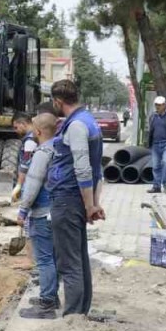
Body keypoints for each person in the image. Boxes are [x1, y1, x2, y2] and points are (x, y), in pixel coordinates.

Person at [45, 79, 104, 317]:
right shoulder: (88, 121)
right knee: (78, 258)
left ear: (58, 101)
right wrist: (93, 203)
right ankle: (80, 313)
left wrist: (91, 205)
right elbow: (97, 167)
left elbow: (84, 169)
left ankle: (72, 318)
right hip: (75, 200)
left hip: (67, 199)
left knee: (69, 263)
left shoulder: (77, 126)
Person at [16, 112, 60, 319]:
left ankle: (46, 304)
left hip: (42, 213)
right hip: (56, 211)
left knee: (44, 260)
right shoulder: (59, 148)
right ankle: (52, 295)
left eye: (34, 128)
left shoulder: (43, 153)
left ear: (39, 131)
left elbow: (32, 184)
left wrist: (23, 209)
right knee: (52, 256)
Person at [10, 112, 37, 202]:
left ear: (23, 124)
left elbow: (25, 165)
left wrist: (19, 185)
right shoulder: (37, 135)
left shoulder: (30, 141)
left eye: (16, 127)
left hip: (31, 181)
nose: (15, 131)